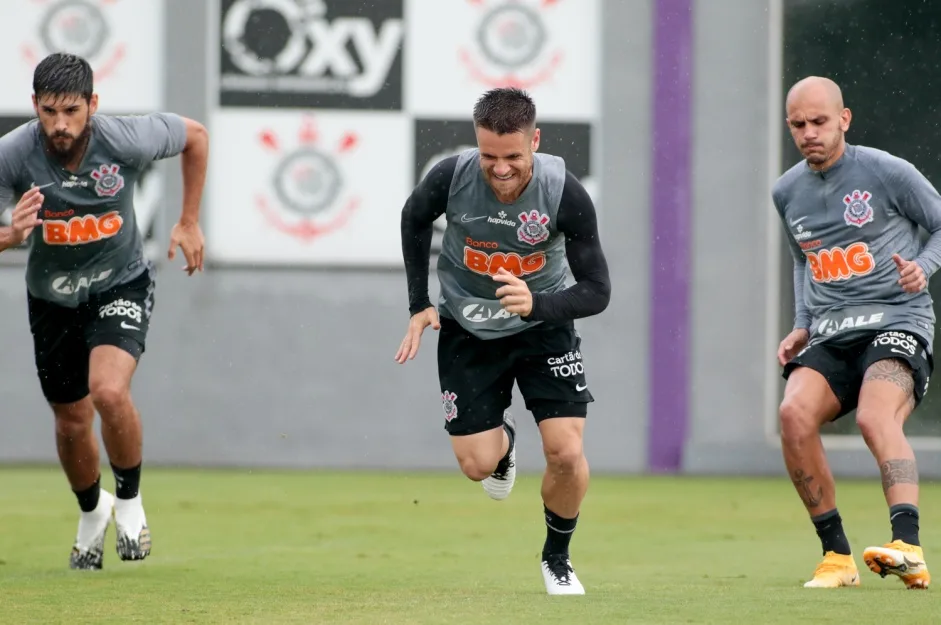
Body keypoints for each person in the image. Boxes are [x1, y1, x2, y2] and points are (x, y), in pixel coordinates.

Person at [394, 87, 611, 595]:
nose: (501, 169)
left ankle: (557, 557)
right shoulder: (452, 177)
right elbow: (413, 217)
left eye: (513, 156)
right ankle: (504, 444)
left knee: (565, 451)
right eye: (489, 155)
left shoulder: (565, 193)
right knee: (477, 467)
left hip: (544, 326)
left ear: (534, 140)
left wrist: (538, 306)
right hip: (467, 328)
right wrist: (417, 303)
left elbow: (598, 291)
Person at [0, 53, 208, 570]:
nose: (61, 124)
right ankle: (93, 510)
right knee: (71, 421)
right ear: (34, 106)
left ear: (93, 104)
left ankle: (131, 501)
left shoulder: (127, 139)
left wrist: (187, 221)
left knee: (109, 391)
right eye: (49, 111)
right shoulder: (12, 155)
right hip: (50, 298)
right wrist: (10, 234)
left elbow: (197, 135)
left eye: (72, 110)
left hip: (121, 283)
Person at [774, 75, 939, 590]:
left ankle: (908, 547)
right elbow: (804, 260)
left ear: (844, 119)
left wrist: (923, 267)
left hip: (896, 320)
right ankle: (836, 558)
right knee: (793, 415)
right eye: (799, 125)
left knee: (874, 414)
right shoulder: (786, 190)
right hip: (830, 330)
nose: (810, 134)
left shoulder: (888, 172)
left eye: (820, 122)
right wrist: (802, 324)